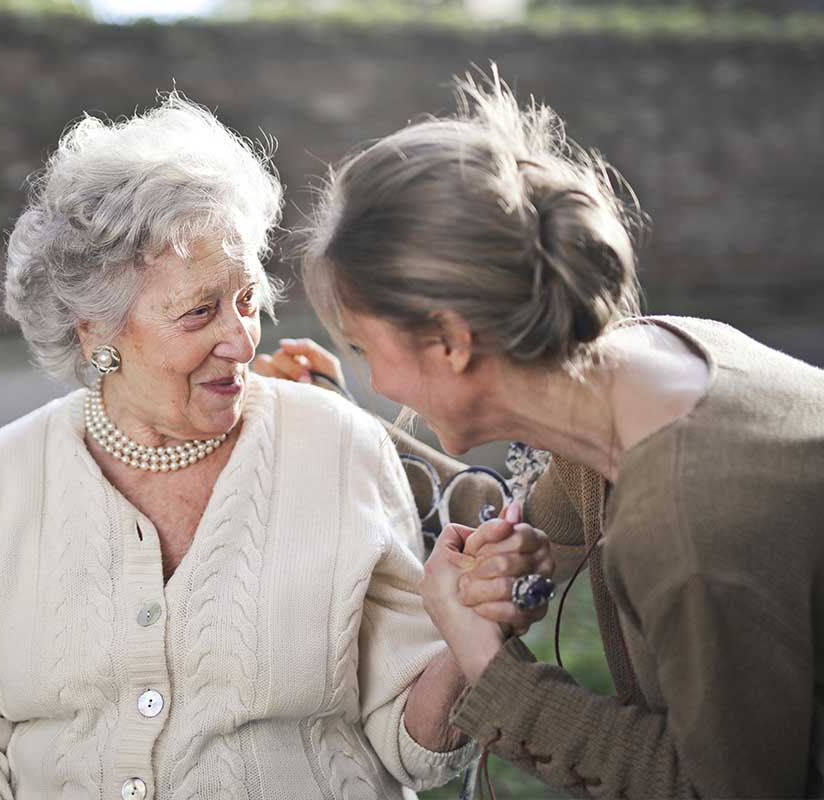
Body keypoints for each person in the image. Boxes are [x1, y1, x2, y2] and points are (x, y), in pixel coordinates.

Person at [0, 94, 554, 800]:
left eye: (248, 300)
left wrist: (467, 639)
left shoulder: (336, 445)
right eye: (200, 311)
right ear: (94, 330)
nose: (240, 339)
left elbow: (414, 746)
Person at [267, 68, 824, 798]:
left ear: (451, 342)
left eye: (366, 351)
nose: (380, 384)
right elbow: (531, 518)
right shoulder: (646, 364)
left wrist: (494, 673)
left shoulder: (687, 524)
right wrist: (333, 419)